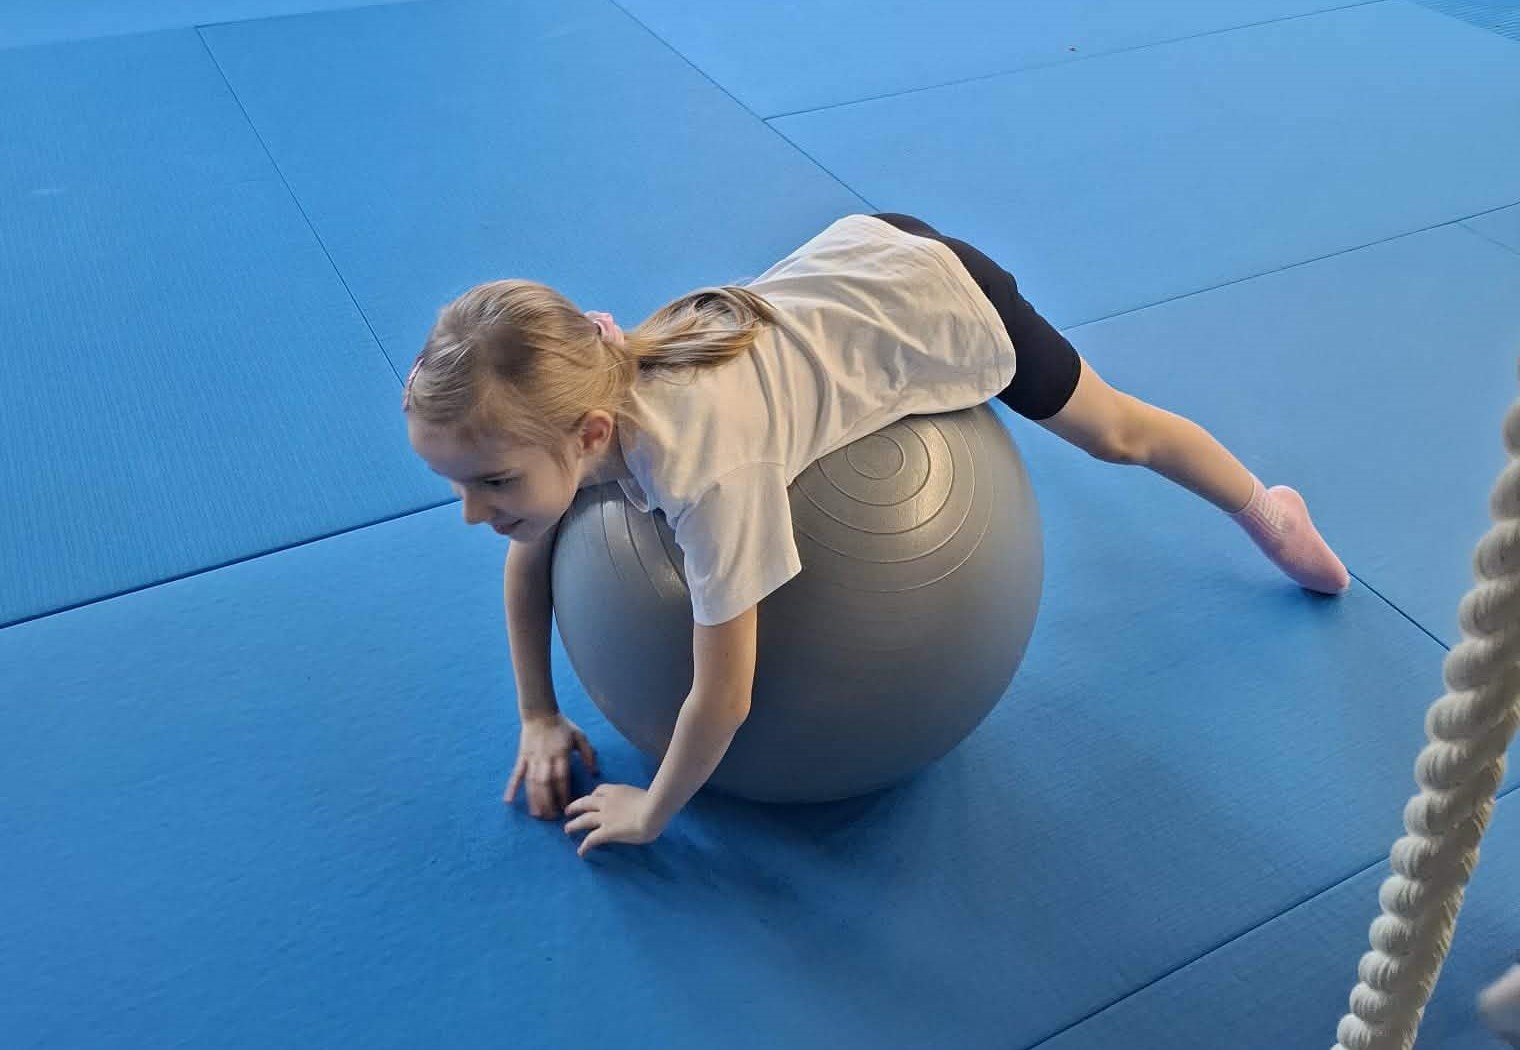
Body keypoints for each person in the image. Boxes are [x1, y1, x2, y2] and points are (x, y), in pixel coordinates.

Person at [403, 212, 1349, 856]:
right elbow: (529, 552)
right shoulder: (576, 405)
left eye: (493, 482)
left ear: (590, 435)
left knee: (1117, 434)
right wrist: (537, 713)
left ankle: (1269, 511)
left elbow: (724, 697)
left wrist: (652, 813)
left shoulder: (707, 476)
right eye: (459, 484)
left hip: (937, 294)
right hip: (854, 261)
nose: (475, 511)